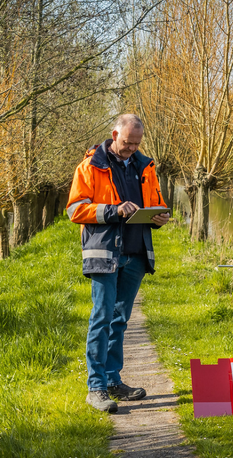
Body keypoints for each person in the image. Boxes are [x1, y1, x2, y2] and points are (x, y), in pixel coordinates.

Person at [66, 114, 171, 413]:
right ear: (114, 134)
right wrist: (113, 210)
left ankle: (113, 380)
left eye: (137, 144)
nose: (131, 148)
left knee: (120, 320)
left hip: (137, 252)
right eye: (127, 143)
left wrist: (159, 217)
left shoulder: (146, 167)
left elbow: (156, 202)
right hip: (105, 253)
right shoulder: (90, 166)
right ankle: (96, 388)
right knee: (101, 318)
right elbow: (75, 209)